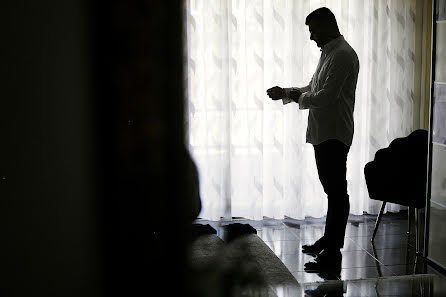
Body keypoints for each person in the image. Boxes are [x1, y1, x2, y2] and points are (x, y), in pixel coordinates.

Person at [266, 7, 359, 273]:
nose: (311, 37)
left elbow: (326, 97)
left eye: (313, 30)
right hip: (324, 132)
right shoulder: (330, 53)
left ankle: (333, 251)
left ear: (327, 26)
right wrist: (287, 91)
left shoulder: (342, 55)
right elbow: (313, 87)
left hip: (334, 133)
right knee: (333, 190)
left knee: (336, 192)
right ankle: (329, 240)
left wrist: (294, 97)